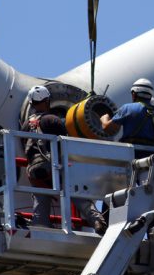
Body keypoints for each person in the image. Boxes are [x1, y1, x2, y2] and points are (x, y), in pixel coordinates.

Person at [20, 85, 107, 234]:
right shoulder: (51, 120)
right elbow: (66, 142)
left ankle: (41, 229)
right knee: (75, 191)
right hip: (52, 167)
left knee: (40, 201)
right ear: (47, 100)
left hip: (34, 171)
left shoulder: (25, 126)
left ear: (32, 103)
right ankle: (97, 220)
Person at [100, 78, 154, 157]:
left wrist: (104, 118)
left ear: (134, 94)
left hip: (131, 155)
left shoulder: (127, 108)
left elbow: (108, 128)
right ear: (150, 95)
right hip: (151, 157)